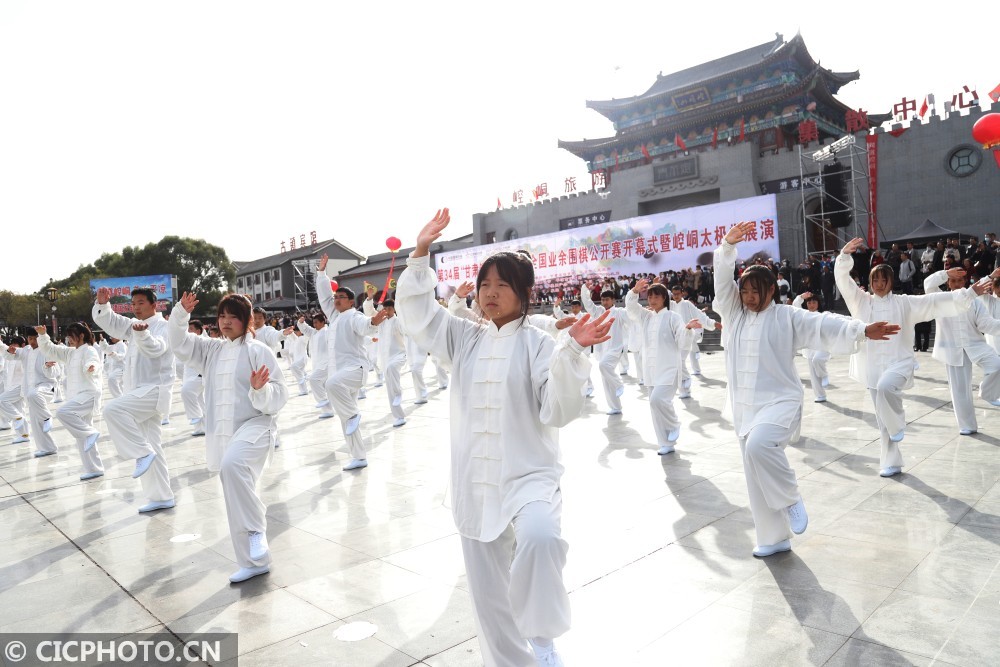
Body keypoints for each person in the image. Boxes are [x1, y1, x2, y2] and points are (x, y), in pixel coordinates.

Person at [396, 208, 611, 667]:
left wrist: (572, 350)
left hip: (528, 477)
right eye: (484, 285)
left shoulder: (538, 344)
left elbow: (558, 407)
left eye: (502, 286)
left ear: (523, 294)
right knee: (489, 603)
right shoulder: (463, 338)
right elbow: (418, 315)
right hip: (475, 481)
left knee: (539, 539)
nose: (490, 294)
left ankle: (541, 631)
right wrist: (420, 253)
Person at [716, 222, 899, 557]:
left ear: (772, 290)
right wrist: (727, 247)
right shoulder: (734, 314)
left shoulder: (787, 316)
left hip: (779, 403)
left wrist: (860, 330)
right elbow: (721, 280)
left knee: (759, 447)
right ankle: (773, 538)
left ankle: (790, 498)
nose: (749, 296)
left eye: (756, 290)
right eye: (745, 291)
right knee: (754, 473)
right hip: (744, 406)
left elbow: (825, 323)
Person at [169, 292, 288, 583]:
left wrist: (260, 390)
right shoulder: (212, 350)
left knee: (233, 467)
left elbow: (279, 396)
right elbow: (179, 343)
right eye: (222, 316)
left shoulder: (258, 351)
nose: (225, 322)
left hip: (257, 425)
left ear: (246, 320)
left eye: (233, 316)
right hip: (226, 433)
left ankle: (257, 534)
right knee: (233, 482)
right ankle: (252, 559)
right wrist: (180, 313)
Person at [837, 238, 983, 473]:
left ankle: (898, 424)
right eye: (876, 279)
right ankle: (890, 462)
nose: (880, 284)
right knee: (880, 418)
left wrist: (969, 293)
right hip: (871, 367)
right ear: (870, 281)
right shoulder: (860, 301)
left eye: (884, 279)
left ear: (891, 281)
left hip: (899, 363)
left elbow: (934, 301)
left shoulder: (904, 303)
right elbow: (843, 281)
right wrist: (844, 258)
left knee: (886, 390)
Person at [93, 287, 176, 513]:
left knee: (112, 410)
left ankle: (141, 451)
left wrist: (142, 334)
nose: (136, 307)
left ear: (154, 304)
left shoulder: (165, 327)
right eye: (133, 303)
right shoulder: (132, 326)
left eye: (140, 302)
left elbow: (156, 349)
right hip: (137, 393)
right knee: (153, 443)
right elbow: (111, 321)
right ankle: (161, 497)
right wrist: (103, 304)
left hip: (154, 391)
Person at [315, 254, 390, 470]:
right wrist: (321, 273)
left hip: (354, 371)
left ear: (350, 302)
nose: (336, 299)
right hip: (340, 374)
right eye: (335, 296)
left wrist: (374, 321)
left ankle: (353, 414)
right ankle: (359, 456)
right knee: (345, 420)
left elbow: (365, 325)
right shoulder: (334, 316)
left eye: (341, 297)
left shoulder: (353, 316)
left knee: (331, 387)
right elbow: (323, 296)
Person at [626, 279, 700, 454]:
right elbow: (631, 309)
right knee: (654, 406)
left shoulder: (673, 317)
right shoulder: (646, 316)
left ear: (664, 298)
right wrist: (634, 292)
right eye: (650, 296)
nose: (652, 299)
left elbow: (682, 341)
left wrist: (688, 329)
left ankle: (674, 423)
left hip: (668, 369)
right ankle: (665, 442)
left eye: (656, 296)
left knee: (657, 400)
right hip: (650, 370)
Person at [924, 266, 1000, 435]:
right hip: (952, 348)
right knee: (960, 390)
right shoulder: (939, 299)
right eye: (953, 281)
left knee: (997, 365)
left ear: (965, 281)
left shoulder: (975, 301)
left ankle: (987, 393)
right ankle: (967, 426)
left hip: (975, 344)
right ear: (948, 283)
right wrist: (945, 273)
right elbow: (927, 284)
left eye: (960, 280)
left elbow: (986, 324)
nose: (957, 284)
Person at [36, 323, 105, 479]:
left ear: (81, 335)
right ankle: (94, 468)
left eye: (71, 335)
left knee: (63, 412)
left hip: (88, 394)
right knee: (82, 436)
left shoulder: (89, 349)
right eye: (68, 336)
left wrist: (91, 367)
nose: (69, 339)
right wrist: (43, 335)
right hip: (77, 396)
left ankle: (90, 434)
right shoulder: (70, 353)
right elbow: (51, 350)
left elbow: (94, 361)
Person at [4, 329, 57, 456]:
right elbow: (10, 355)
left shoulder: (48, 349)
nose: (32, 342)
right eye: (30, 339)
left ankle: (47, 416)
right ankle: (48, 448)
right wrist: (9, 351)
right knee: (35, 421)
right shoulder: (26, 351)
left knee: (35, 396)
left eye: (35, 338)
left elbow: (56, 373)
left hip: (46, 387)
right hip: (30, 390)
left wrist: (49, 367)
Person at [580, 283, 629, 415]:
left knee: (604, 366)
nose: (605, 302)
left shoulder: (619, 312)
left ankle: (619, 384)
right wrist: (585, 290)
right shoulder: (599, 312)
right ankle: (616, 407)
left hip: (615, 348)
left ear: (613, 300)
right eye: (602, 300)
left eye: (607, 299)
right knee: (605, 379)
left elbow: (632, 316)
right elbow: (588, 303)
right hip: (602, 349)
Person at [362, 296, 408, 427]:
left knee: (392, 369)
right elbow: (369, 311)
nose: (387, 311)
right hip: (386, 358)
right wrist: (370, 298)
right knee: (389, 387)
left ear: (394, 309)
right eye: (385, 308)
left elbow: (407, 332)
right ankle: (399, 416)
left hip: (399, 355)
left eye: (390, 308)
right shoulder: (381, 321)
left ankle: (398, 391)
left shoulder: (398, 321)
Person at [668, 285, 718, 396]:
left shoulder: (687, 304)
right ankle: (684, 388)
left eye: (678, 294)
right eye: (674, 294)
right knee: (677, 362)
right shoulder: (670, 305)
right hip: (675, 337)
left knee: (681, 360)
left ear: (682, 293)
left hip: (687, 335)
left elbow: (699, 315)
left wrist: (712, 323)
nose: (676, 296)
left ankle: (686, 384)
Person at [791, 293, 831, 403]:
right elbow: (795, 306)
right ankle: (820, 395)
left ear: (818, 303)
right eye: (809, 303)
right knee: (813, 374)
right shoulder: (803, 315)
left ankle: (824, 375)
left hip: (823, 345)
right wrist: (801, 297)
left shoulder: (823, 315)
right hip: (810, 348)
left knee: (817, 360)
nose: (812, 305)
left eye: (814, 302)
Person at [298, 314, 332, 417]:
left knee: (314, 379)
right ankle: (328, 410)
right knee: (324, 386)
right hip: (317, 363)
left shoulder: (328, 332)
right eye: (313, 323)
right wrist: (301, 322)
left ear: (323, 322)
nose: (314, 324)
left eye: (317, 322)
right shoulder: (314, 333)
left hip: (327, 363)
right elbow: (305, 329)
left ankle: (324, 401)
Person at [180, 319, 208, 437]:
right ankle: (202, 427)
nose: (188, 331)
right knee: (201, 401)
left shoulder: (204, 342)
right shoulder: (188, 342)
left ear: (198, 330)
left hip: (200, 375)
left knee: (186, 391)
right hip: (189, 375)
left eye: (190, 329)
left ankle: (195, 415)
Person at [0, 335, 29, 444]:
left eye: (15, 344)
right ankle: (24, 435)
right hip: (12, 387)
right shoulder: (10, 355)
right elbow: (3, 348)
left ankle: (17, 418)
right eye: (12, 344)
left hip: (20, 386)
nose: (13, 346)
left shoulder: (25, 355)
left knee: (1, 400)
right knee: (20, 410)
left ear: (22, 345)